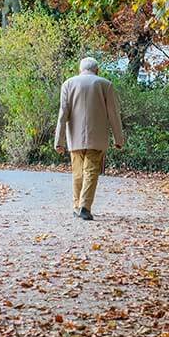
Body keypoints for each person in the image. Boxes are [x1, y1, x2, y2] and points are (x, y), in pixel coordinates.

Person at [55, 57, 124, 221]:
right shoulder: (105, 84)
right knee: (91, 171)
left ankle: (76, 206)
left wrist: (59, 141)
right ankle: (84, 207)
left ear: (80, 70)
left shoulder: (68, 84)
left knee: (77, 172)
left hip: (74, 137)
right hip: (97, 136)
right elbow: (113, 114)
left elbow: (62, 114)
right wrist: (118, 138)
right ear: (97, 70)